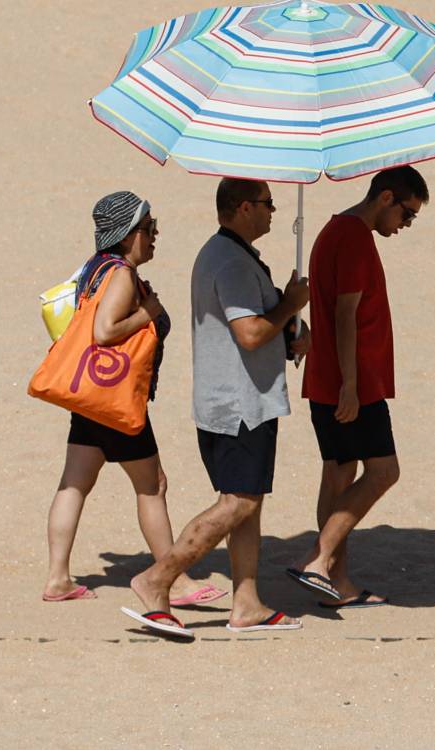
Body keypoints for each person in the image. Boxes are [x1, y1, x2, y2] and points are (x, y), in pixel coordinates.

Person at [121, 178, 311, 638]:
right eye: (267, 204)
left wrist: (289, 331)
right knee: (237, 502)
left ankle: (245, 604)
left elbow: (249, 330)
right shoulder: (229, 261)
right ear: (244, 207)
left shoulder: (233, 255)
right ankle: (156, 580)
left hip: (242, 399)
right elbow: (247, 333)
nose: (273, 211)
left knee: (249, 504)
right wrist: (290, 304)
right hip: (238, 403)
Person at [41, 190, 224, 608]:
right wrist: (149, 311)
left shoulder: (95, 269)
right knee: (152, 486)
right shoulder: (120, 273)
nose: (154, 235)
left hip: (89, 396)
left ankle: (57, 578)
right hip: (117, 401)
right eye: (147, 228)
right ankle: (173, 582)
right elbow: (105, 331)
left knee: (74, 484)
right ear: (126, 234)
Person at [289, 166, 428, 609]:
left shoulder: (335, 231)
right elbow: (346, 314)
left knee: (338, 473)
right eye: (407, 214)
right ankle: (319, 559)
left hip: (328, 380)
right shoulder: (354, 238)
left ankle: (338, 581)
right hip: (353, 384)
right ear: (386, 198)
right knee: (384, 471)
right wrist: (351, 384)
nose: (405, 225)